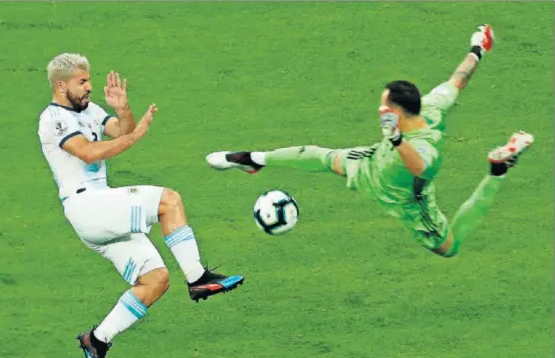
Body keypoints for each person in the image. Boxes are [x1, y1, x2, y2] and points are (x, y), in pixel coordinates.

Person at [206, 25, 534, 258]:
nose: (380, 110)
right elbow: (458, 79)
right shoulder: (430, 108)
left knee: (448, 246)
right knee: (323, 157)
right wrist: (478, 48)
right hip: (375, 169)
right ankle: (254, 157)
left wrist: (395, 139)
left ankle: (496, 170)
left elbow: (419, 166)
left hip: (399, 192)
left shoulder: (423, 148)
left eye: (385, 107)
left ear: (401, 113)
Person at [38, 53, 244, 358]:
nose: (89, 86)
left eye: (89, 79)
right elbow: (88, 151)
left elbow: (121, 129)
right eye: (82, 82)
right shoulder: (54, 119)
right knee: (168, 200)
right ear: (61, 86)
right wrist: (131, 138)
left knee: (155, 279)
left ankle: (97, 340)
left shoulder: (87, 110)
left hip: (99, 208)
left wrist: (122, 110)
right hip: (87, 206)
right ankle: (198, 279)